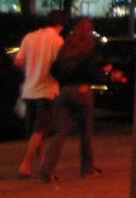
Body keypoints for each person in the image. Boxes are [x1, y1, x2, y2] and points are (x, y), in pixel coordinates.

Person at [40, 18, 121, 181]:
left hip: (65, 91)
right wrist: (105, 73)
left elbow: (54, 69)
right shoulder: (89, 49)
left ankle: (47, 169)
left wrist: (63, 82)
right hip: (82, 90)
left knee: (61, 132)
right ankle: (87, 168)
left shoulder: (66, 48)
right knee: (86, 132)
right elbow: (91, 72)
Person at [15, 9, 68, 178]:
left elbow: (18, 61)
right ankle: (26, 163)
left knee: (34, 130)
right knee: (40, 129)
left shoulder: (29, 37)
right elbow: (60, 66)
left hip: (29, 89)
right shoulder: (58, 41)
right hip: (47, 89)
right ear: (61, 25)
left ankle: (41, 161)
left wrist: (31, 68)